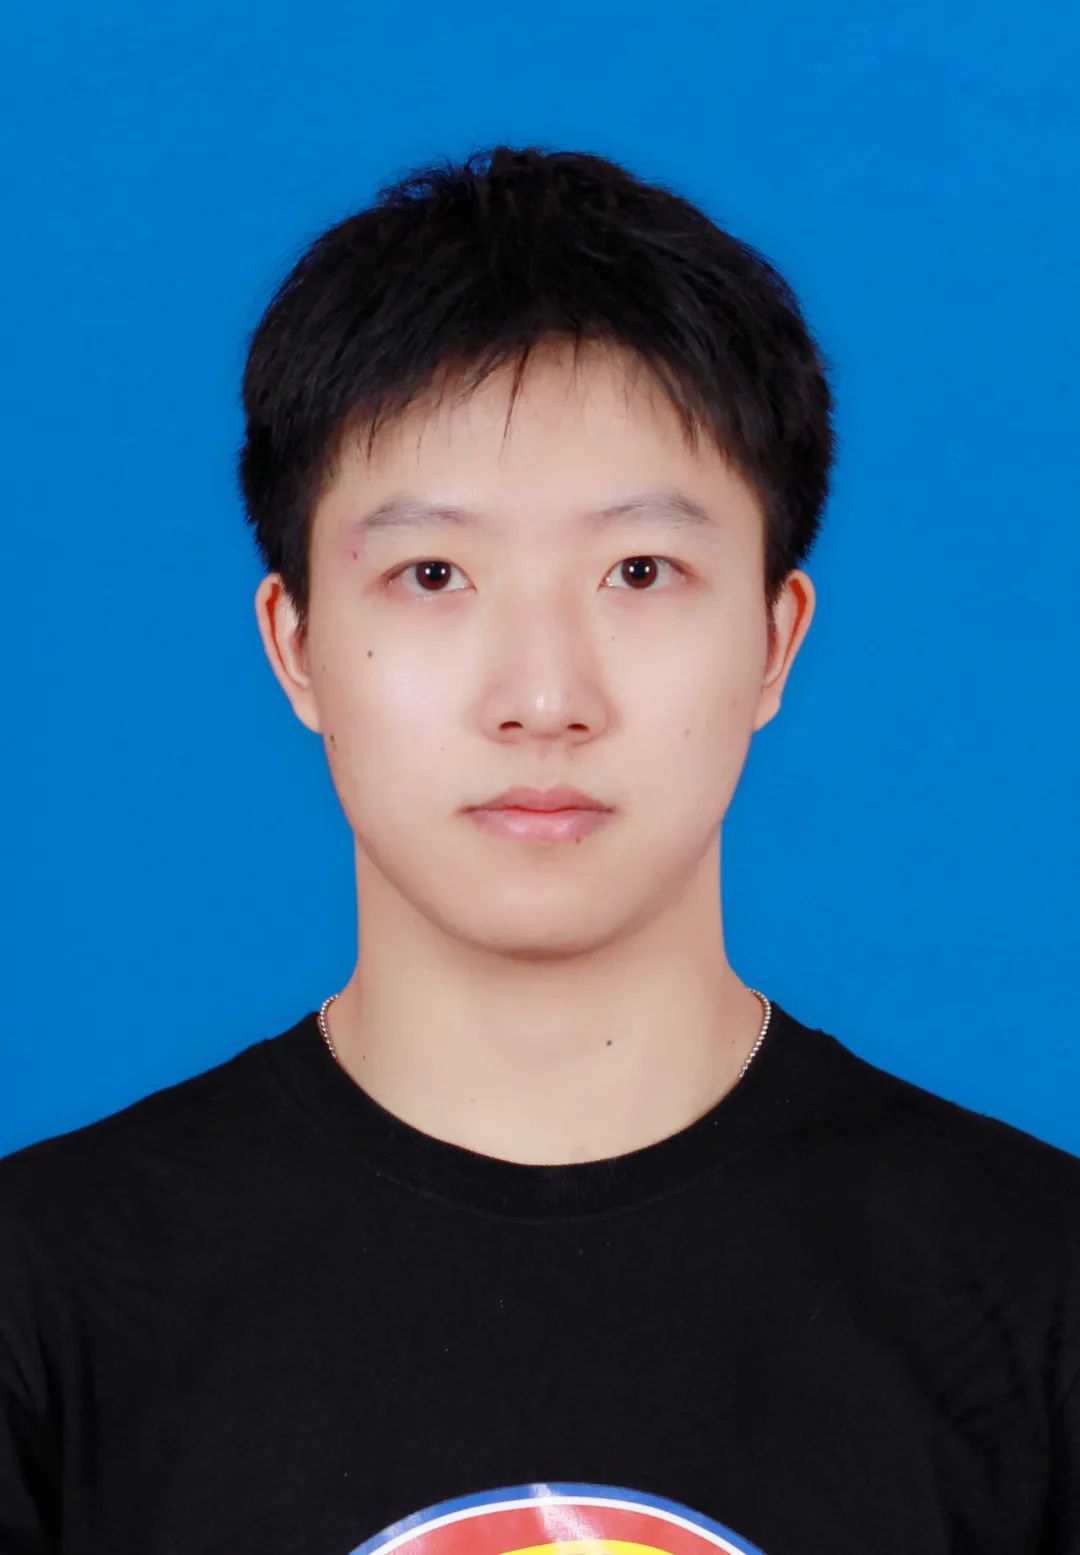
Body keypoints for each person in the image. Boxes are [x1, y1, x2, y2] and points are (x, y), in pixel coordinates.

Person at [1, 143, 1077, 1555]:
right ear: (295, 643)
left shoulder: (1038, 1293)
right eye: (433, 575)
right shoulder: (43, 1301)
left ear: (774, 641)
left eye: (640, 572)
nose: (544, 696)